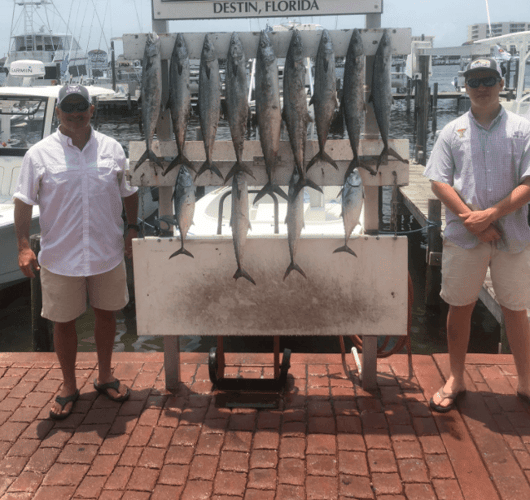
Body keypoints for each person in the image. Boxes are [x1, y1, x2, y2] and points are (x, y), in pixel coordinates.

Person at [14, 84, 139, 419]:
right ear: (58, 112)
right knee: (63, 321)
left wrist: (132, 227)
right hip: (60, 254)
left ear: (92, 109)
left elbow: (128, 190)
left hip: (106, 250)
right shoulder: (37, 154)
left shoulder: (113, 148)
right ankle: (69, 385)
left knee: (106, 314)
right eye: (67, 107)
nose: (74, 112)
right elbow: (24, 202)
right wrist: (24, 245)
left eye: (80, 106)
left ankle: (105, 376)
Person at [424, 57, 530, 413]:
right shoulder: (450, 131)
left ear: (502, 83)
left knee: (515, 309)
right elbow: (438, 180)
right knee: (460, 306)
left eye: (488, 79)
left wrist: (492, 215)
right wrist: (474, 221)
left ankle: (526, 380)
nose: (481, 86)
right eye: (474, 81)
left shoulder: (523, 128)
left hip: (513, 234)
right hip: (464, 234)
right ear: (464, 87)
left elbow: (529, 182)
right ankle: (456, 377)